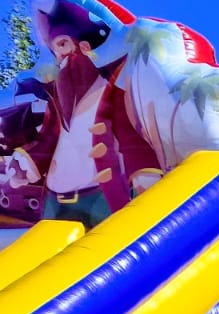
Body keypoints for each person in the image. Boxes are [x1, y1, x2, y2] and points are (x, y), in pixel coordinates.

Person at [1, 1, 161, 227]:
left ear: (84, 47)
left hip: (99, 197)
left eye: (63, 45)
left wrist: (144, 174)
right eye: (55, 52)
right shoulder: (59, 101)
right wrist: (24, 165)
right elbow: (47, 140)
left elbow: (130, 138)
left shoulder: (112, 91)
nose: (60, 57)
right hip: (55, 201)